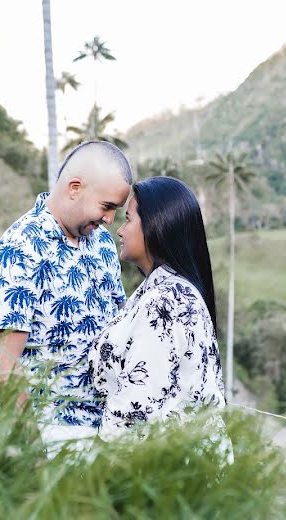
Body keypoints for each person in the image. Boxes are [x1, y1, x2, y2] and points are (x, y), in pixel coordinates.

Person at [0, 140, 132, 445]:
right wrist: (32, 452)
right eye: (107, 207)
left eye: (116, 211)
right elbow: (5, 367)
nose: (109, 220)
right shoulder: (20, 247)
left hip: (111, 430)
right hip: (52, 433)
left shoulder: (103, 245)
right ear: (75, 188)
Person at [87, 176, 231, 454]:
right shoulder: (168, 290)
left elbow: (135, 409)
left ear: (155, 226)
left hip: (161, 472)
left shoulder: (166, 301)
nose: (120, 230)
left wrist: (95, 473)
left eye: (128, 219)